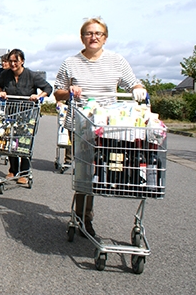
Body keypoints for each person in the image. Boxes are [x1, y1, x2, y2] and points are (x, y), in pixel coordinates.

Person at [54, 17, 147, 237]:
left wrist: (138, 89)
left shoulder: (116, 61)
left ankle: (86, 211)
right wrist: (69, 91)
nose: (93, 37)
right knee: (86, 172)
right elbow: (57, 92)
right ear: (82, 37)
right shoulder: (70, 62)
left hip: (109, 126)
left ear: (105, 38)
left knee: (109, 169)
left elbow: (133, 82)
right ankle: (84, 217)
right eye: (89, 33)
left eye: (98, 34)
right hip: (81, 124)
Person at [0, 48, 52, 185]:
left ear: (22, 61)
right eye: (11, 61)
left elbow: (48, 88)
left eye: (16, 61)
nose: (13, 64)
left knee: (24, 143)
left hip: (27, 113)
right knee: (11, 142)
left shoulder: (31, 75)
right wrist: (1, 92)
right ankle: (13, 170)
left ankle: (24, 172)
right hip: (11, 111)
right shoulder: (5, 75)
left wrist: (38, 96)